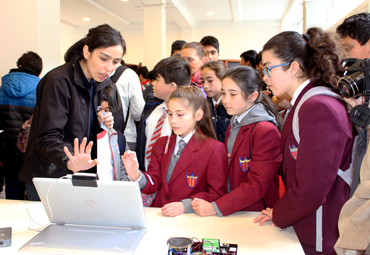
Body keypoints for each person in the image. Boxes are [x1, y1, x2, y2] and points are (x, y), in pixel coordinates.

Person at [253, 28, 354, 255]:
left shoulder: (318, 107)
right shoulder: (304, 103)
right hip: (307, 224)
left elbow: (311, 189)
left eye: (268, 68)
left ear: (294, 67)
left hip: (322, 230)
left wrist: (281, 213)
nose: (265, 77)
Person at [18, 24, 124, 201]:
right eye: (104, 58)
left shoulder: (98, 83)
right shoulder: (58, 81)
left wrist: (99, 123)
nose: (110, 67)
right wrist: (70, 160)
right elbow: (47, 137)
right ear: (87, 51)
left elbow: (80, 129)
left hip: (78, 174)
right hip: (50, 176)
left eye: (116, 61)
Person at [123, 86, 228, 217]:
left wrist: (185, 205)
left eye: (180, 114)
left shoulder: (214, 149)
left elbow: (217, 193)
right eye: (170, 114)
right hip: (159, 215)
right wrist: (136, 175)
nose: (173, 120)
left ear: (198, 115)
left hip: (191, 219)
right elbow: (154, 181)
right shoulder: (161, 143)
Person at [192, 66, 282, 216]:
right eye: (223, 93)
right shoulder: (235, 122)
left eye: (233, 94)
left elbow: (257, 185)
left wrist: (216, 207)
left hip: (255, 212)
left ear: (253, 96)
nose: (225, 100)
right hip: (235, 204)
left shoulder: (265, 130)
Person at [135, 56, 191, 172]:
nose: (153, 84)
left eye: (157, 80)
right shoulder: (152, 110)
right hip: (147, 177)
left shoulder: (187, 119)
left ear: (172, 86)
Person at [64, 84, 129, 181]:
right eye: (98, 109)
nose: (102, 115)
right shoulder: (83, 134)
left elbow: (122, 169)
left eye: (106, 110)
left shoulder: (117, 137)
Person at [0, 51, 42, 200]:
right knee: (34, 196)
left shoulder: (2, 88)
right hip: (32, 151)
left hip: (8, 150)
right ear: (39, 71)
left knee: (12, 194)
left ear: (19, 65)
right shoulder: (41, 89)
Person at [113, 63, 145, 151]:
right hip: (126, 134)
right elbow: (138, 112)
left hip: (100, 137)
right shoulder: (129, 74)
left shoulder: (95, 71)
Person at [200, 61, 231, 143]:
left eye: (210, 81)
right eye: (202, 81)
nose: (205, 86)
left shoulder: (232, 105)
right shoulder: (203, 105)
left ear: (223, 79)